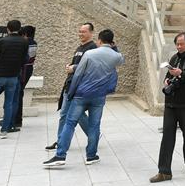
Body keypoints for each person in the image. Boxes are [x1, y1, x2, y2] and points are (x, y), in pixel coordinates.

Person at [43, 29, 124, 167]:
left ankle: (60, 155)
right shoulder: (116, 56)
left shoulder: (90, 54)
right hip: (99, 96)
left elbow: (78, 74)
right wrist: (114, 47)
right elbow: (121, 60)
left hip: (82, 94)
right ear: (111, 41)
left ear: (99, 40)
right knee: (94, 126)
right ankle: (91, 156)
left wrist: (71, 92)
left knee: (70, 123)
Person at [149, 32, 185, 183]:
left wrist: (182, 73)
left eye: (181, 44)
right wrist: (167, 80)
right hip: (171, 103)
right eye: (177, 44)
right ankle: (164, 171)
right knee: (167, 136)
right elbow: (169, 75)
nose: (179, 46)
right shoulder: (174, 58)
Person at [46, 22, 97, 150]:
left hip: (79, 88)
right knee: (75, 114)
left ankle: (61, 142)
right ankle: (93, 136)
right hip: (70, 85)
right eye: (80, 31)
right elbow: (77, 64)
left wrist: (73, 68)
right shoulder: (80, 48)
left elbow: (90, 67)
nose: (80, 34)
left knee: (67, 114)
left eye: (83, 31)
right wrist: (70, 66)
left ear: (91, 33)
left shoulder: (92, 48)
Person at [12, 25, 37, 131]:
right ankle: (16, 119)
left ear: (25, 34)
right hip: (28, 68)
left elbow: (23, 57)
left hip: (24, 69)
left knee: (18, 93)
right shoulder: (33, 42)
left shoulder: (26, 42)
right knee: (19, 93)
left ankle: (16, 120)